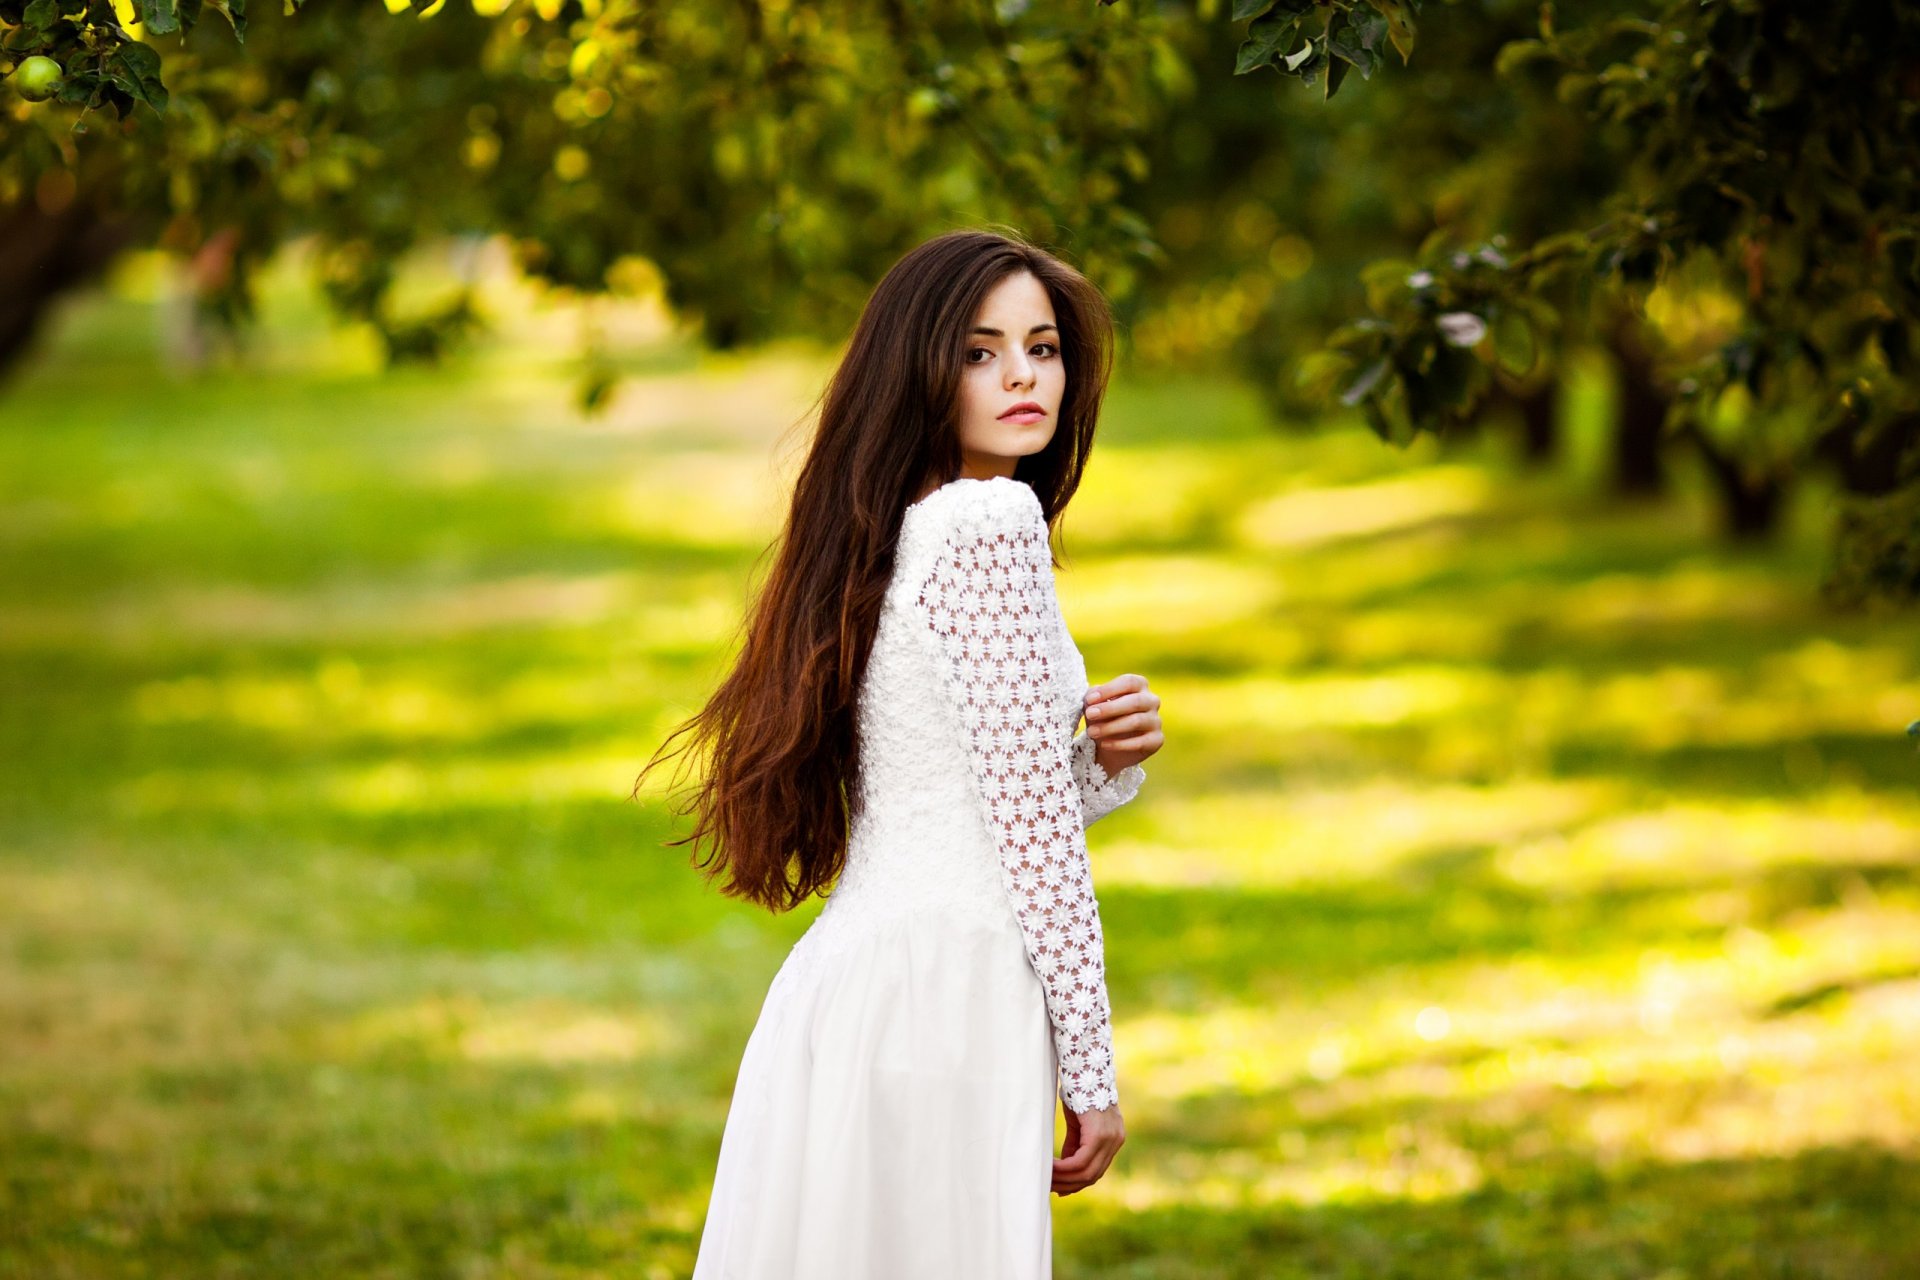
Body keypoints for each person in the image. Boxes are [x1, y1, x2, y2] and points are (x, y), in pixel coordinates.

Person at [637, 227, 1167, 1278]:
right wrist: (1092, 1068)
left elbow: (972, 798)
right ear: (922, 371)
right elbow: (1036, 848)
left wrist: (1101, 762)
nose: (1022, 373)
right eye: (980, 351)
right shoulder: (988, 529)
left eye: (1044, 346)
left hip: (862, 989)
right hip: (947, 999)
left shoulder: (903, 525)